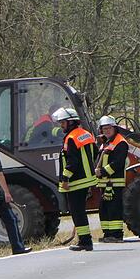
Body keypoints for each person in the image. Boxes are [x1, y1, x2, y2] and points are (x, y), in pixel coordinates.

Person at [52, 107, 97, 251]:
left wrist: (65, 179)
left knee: (77, 212)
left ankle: (85, 241)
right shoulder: (86, 134)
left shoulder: (70, 138)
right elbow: (95, 153)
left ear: (70, 122)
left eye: (63, 123)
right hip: (87, 179)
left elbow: (72, 162)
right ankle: (85, 240)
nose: (61, 126)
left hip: (76, 182)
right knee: (80, 211)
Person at [95, 116, 128, 243]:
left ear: (114, 128)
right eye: (104, 128)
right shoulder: (106, 143)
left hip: (114, 182)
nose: (107, 131)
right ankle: (108, 233)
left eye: (109, 128)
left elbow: (118, 163)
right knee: (104, 209)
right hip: (103, 183)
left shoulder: (120, 142)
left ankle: (116, 234)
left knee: (114, 209)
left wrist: (102, 172)